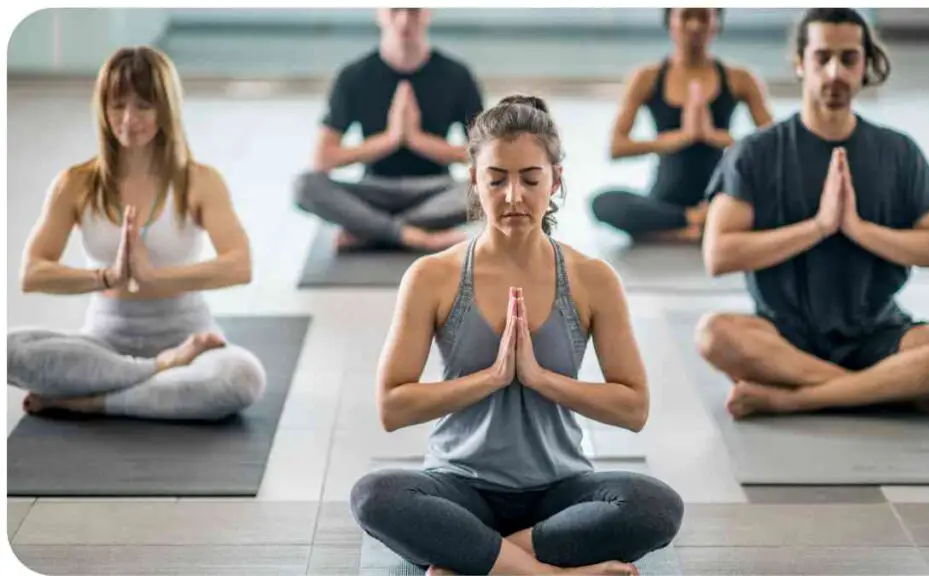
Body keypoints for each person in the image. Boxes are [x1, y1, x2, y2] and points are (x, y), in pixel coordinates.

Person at [349, 96, 683, 576]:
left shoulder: (592, 279)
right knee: (374, 496)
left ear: (556, 179)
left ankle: (481, 559)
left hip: (558, 492)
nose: (513, 197)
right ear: (473, 180)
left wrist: (539, 378)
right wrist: (491, 378)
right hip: (460, 486)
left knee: (656, 507)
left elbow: (633, 408)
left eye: (530, 179)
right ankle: (550, 573)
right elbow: (391, 407)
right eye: (497, 179)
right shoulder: (432, 277)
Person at [696, 8, 929, 419]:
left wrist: (857, 228)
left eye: (849, 58)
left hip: (878, 335)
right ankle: (888, 388)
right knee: (715, 334)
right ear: (801, 62)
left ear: (865, 65)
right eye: (823, 57)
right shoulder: (755, 152)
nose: (835, 72)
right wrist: (819, 227)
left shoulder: (898, 151)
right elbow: (719, 255)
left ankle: (799, 397)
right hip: (784, 339)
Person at [7, 46, 266, 420]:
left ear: (165, 108)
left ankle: (94, 400)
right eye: (117, 106)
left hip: (188, 334)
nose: (129, 119)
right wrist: (108, 277)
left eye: (143, 106)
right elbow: (32, 273)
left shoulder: (199, 181)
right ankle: (157, 371)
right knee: (10, 350)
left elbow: (240, 266)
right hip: (104, 342)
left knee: (241, 378)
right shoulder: (75, 184)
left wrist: (154, 278)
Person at [293, 8, 485, 252]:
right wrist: (390, 139)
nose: (404, 20)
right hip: (373, 192)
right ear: (379, 14)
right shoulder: (353, 76)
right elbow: (322, 159)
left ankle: (374, 232)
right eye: (395, 10)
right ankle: (414, 234)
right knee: (304, 185)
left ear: (428, 13)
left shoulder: (457, 75)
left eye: (413, 11)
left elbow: (486, 156)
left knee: (493, 185)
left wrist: (417, 140)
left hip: (435, 190)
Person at [591, 8, 773, 243]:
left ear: (717, 23)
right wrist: (680, 138)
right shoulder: (647, 77)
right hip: (664, 202)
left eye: (703, 17)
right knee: (603, 203)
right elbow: (616, 147)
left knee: (782, 201)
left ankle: (678, 229)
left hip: (721, 198)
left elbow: (773, 148)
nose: (695, 25)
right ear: (671, 21)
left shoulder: (740, 78)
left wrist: (715, 137)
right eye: (687, 16)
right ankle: (692, 221)